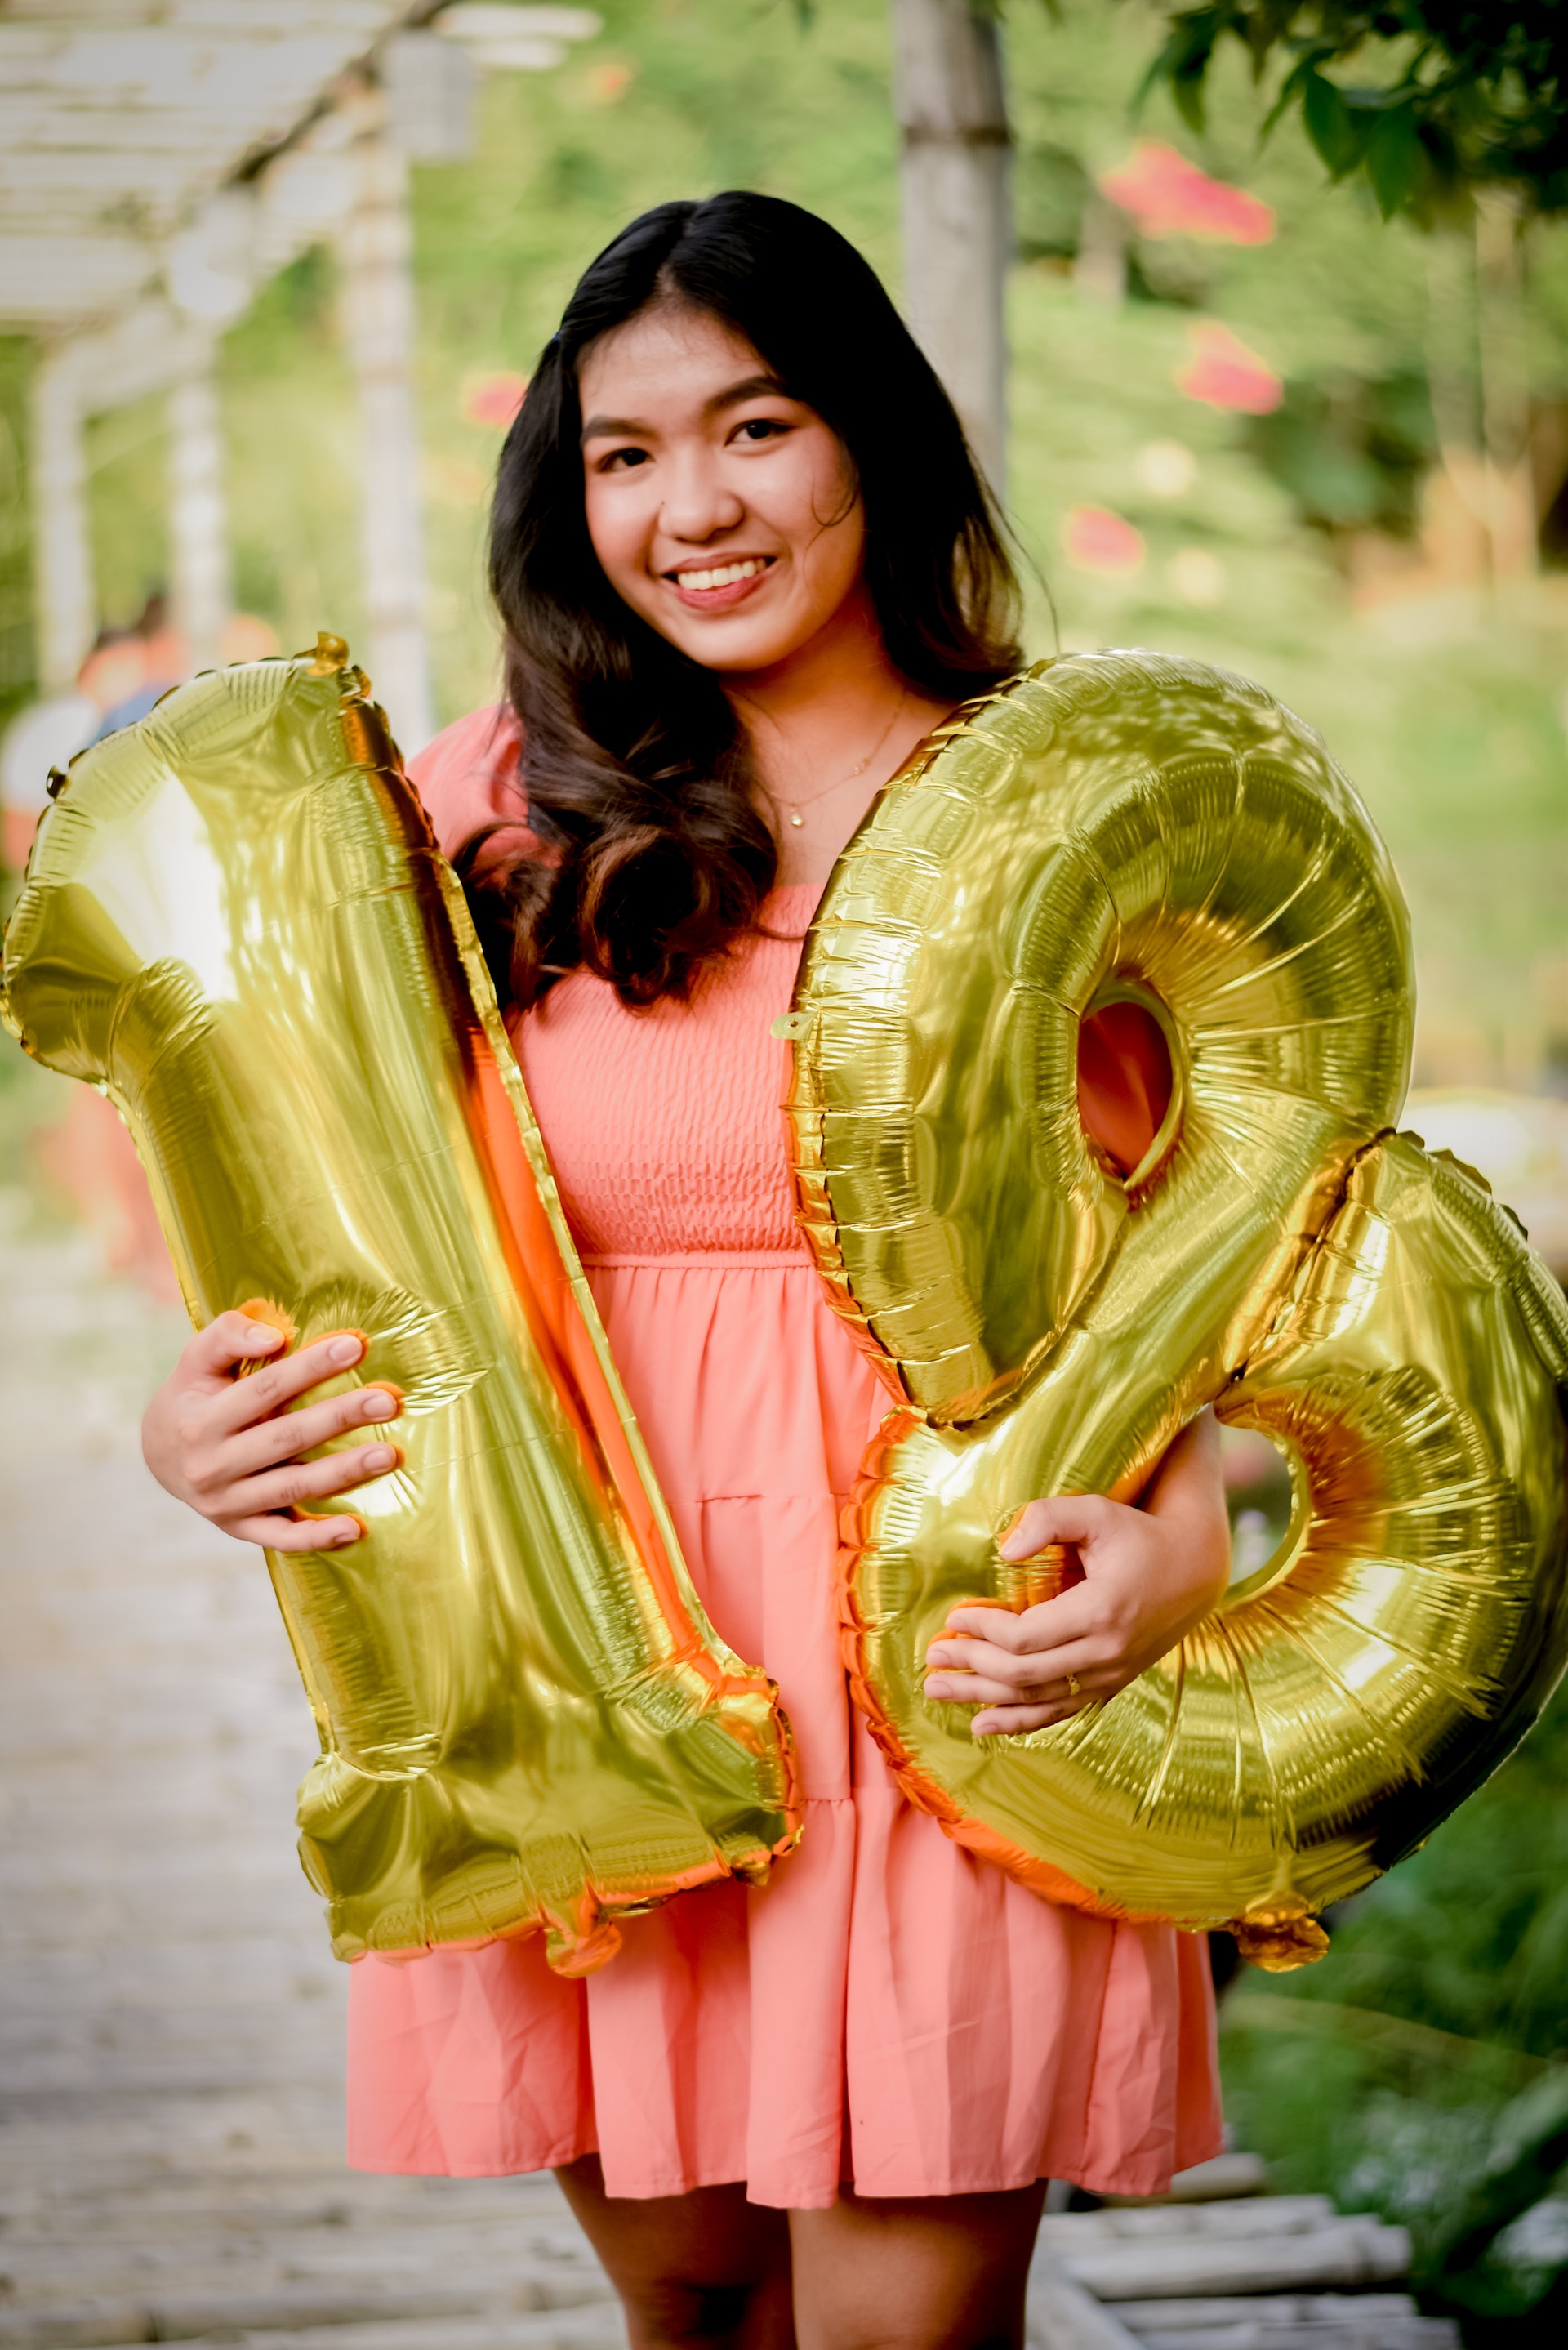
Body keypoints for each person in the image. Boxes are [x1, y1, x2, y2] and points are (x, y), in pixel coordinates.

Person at [141, 194, 1231, 2350]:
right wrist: (199, 1416)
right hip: (586, 1662)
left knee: (902, 2332)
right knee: (699, 2317)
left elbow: (1200, 1271)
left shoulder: (1061, 813)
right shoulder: (475, 815)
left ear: (875, 448)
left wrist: (1178, 1547)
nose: (691, 507)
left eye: (755, 427)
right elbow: (313, 1208)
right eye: (625, 454)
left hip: (944, 1669)